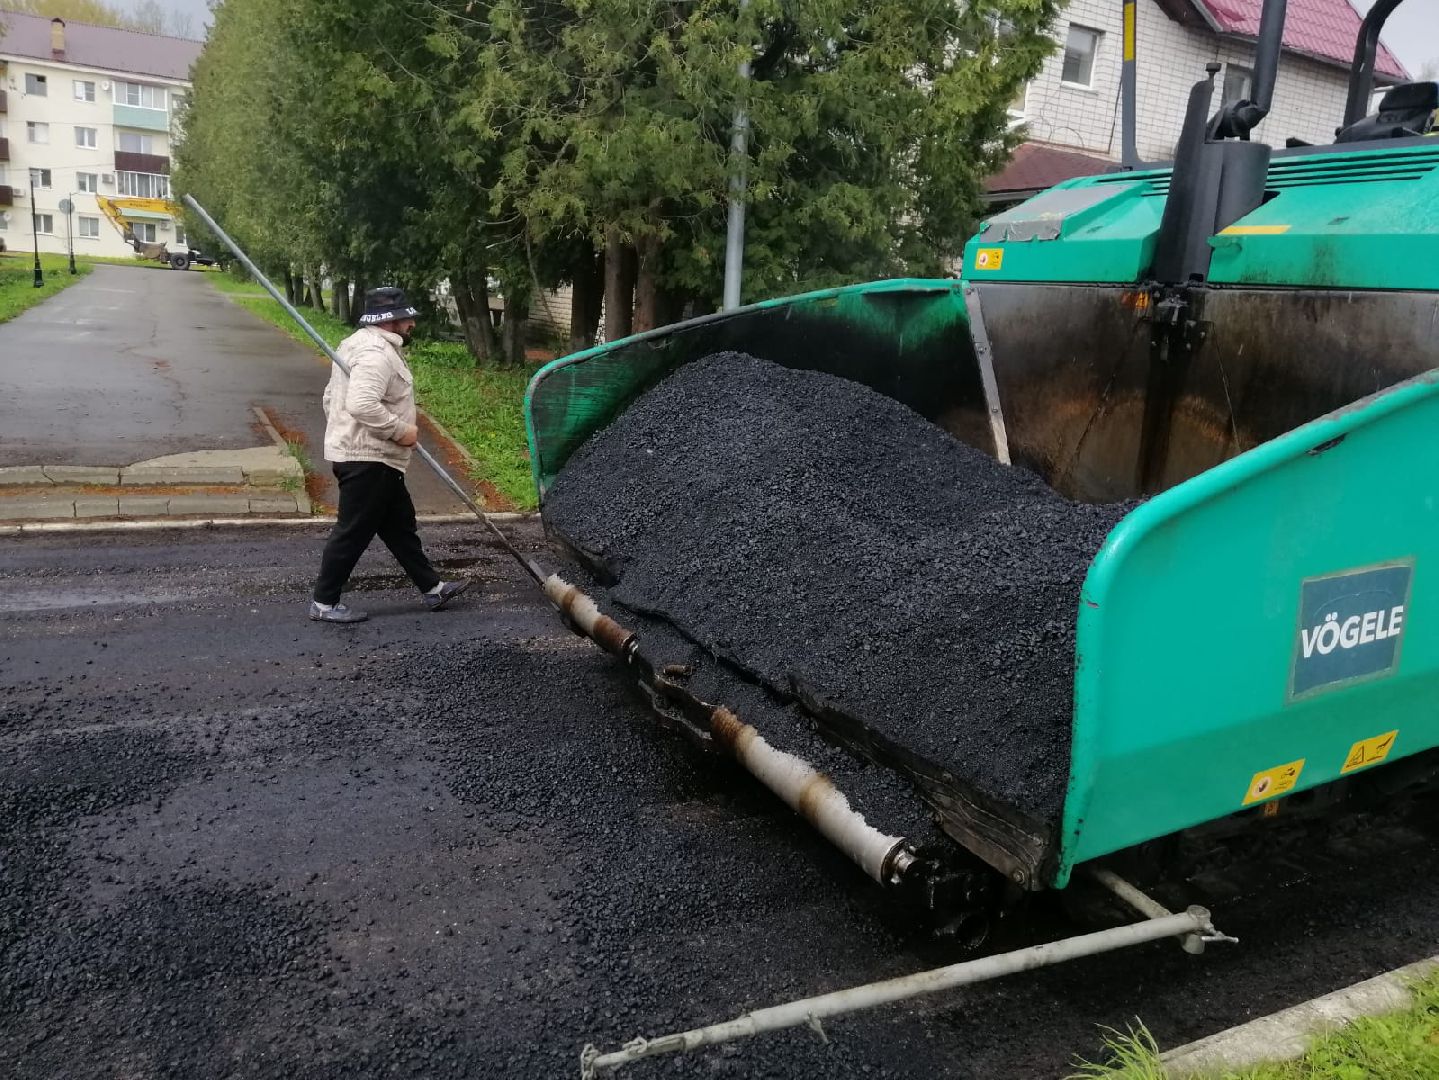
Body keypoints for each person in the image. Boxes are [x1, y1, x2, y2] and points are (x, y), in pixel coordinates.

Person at [309, 286, 469, 623]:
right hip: (369, 459)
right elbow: (361, 404)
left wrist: (345, 434)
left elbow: (330, 399)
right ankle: (324, 603)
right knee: (352, 531)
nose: (412, 322)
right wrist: (400, 431)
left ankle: (433, 589)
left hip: (372, 456)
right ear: (391, 319)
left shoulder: (355, 345)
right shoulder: (375, 354)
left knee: (400, 526)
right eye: (407, 316)